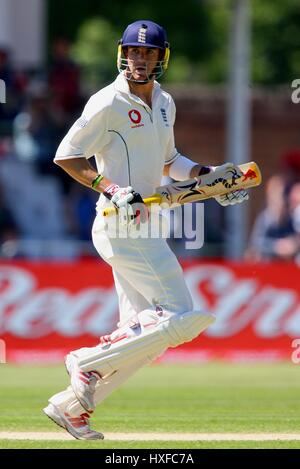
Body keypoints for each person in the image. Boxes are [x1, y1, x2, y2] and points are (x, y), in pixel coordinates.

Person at [43, 20, 249, 440]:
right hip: (119, 224)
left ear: (161, 58)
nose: (139, 60)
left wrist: (208, 176)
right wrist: (112, 187)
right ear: (123, 54)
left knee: (148, 336)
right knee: (183, 315)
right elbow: (67, 156)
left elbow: (170, 160)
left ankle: (72, 407)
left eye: (148, 53)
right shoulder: (106, 102)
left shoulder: (164, 102)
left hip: (149, 224)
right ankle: (85, 362)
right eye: (133, 52)